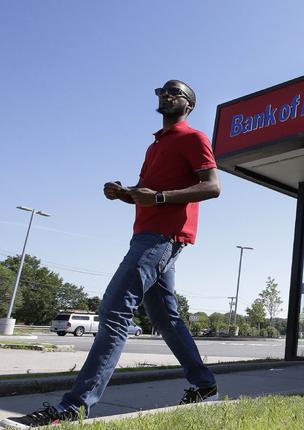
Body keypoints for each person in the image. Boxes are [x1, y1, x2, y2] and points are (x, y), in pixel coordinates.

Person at [2, 80, 221, 428]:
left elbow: (212, 186)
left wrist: (160, 198)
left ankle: (74, 408)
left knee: (115, 310)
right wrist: (126, 193)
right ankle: (205, 385)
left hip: (163, 237)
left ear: (189, 105)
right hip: (145, 235)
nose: (165, 95)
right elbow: (148, 193)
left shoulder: (193, 138)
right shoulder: (155, 146)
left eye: (174, 92)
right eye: (161, 91)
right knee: (165, 318)